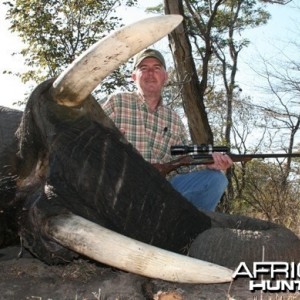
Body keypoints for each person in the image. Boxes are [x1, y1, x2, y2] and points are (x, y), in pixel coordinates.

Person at [102, 48, 233, 211]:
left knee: (216, 180)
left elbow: (186, 162)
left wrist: (209, 163)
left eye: (157, 68)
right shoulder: (117, 102)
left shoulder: (174, 120)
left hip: (162, 191)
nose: (150, 73)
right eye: (143, 68)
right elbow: (91, 137)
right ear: (133, 77)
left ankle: (195, 232)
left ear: (165, 76)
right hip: (120, 186)